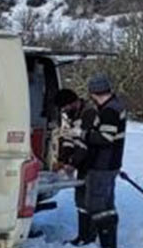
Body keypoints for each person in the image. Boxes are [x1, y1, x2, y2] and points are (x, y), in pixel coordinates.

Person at [81, 73, 127, 248]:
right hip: (110, 164)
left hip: (103, 165)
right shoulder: (115, 106)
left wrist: (82, 134)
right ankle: (108, 243)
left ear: (94, 93)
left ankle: (107, 244)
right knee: (107, 205)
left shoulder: (109, 110)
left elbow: (105, 138)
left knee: (98, 207)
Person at [54, 88, 93, 246]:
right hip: (82, 163)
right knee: (80, 200)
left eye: (65, 107)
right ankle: (83, 235)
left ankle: (90, 236)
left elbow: (84, 144)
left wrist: (72, 163)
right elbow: (69, 139)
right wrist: (63, 159)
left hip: (93, 163)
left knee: (89, 199)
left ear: (73, 102)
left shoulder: (89, 113)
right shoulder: (72, 115)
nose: (64, 111)